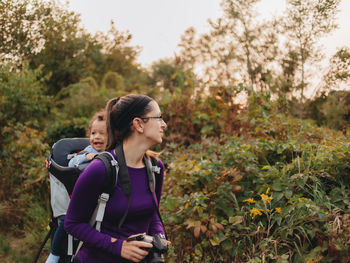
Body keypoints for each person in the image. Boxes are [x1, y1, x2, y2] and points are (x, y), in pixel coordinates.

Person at [64, 94, 168, 263]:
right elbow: (72, 223)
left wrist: (158, 237)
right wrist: (118, 246)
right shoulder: (100, 170)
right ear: (138, 124)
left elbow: (153, 214)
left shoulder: (155, 168)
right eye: (158, 118)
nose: (164, 124)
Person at [46, 110, 107, 263]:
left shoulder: (111, 153)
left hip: (100, 203)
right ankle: (54, 255)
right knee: (66, 220)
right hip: (77, 199)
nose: (96, 137)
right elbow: (72, 163)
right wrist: (86, 157)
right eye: (93, 133)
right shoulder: (89, 150)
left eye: (102, 133)